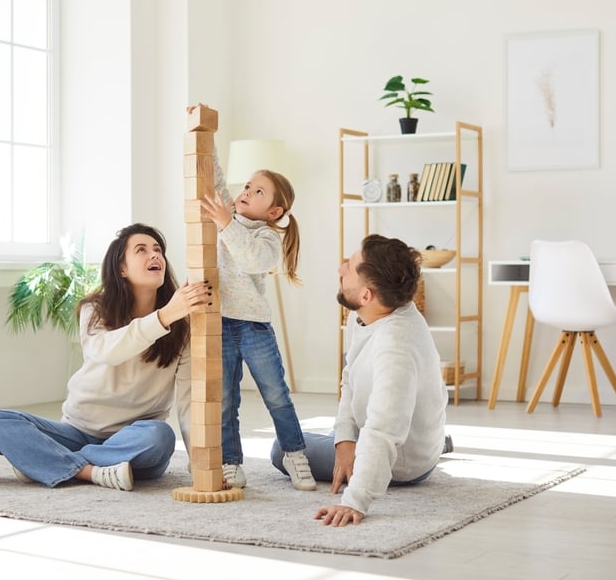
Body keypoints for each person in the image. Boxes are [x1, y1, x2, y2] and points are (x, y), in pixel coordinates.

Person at [0, 223, 210, 491]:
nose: (155, 255)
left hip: (136, 440)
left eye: (158, 250)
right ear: (122, 268)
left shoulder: (183, 328)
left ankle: (50, 462)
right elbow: (108, 352)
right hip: (77, 432)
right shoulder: (94, 310)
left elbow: (188, 401)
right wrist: (165, 316)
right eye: (142, 250)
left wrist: (202, 465)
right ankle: (92, 471)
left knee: (161, 437)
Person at [271, 234, 452, 525]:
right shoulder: (374, 313)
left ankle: (428, 448)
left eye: (350, 267)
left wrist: (355, 500)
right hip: (404, 434)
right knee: (338, 432)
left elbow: (382, 430)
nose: (340, 269)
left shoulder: (395, 347)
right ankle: (436, 442)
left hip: (403, 465)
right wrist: (344, 441)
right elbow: (350, 381)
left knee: (283, 449)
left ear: (366, 294)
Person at [190, 106, 315, 492]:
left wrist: (227, 224)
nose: (245, 193)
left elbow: (250, 259)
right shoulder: (227, 210)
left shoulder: (267, 237)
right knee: (226, 400)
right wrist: (204, 134)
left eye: (257, 192)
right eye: (247, 187)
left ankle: (295, 454)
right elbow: (216, 177)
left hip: (255, 326)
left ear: (274, 210)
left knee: (275, 394)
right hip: (220, 322)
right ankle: (231, 462)